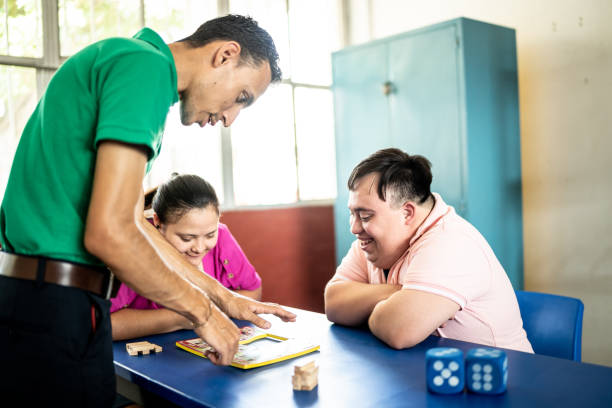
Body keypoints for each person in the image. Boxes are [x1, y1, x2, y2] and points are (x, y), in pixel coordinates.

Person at [0, 15, 295, 406]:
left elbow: (134, 225)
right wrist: (204, 314)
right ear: (225, 55)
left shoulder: (126, 61)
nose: (230, 118)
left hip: (38, 298)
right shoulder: (145, 67)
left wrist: (223, 297)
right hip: (56, 302)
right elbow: (110, 232)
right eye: (241, 97)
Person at [324, 148, 533, 353]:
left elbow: (397, 330)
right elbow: (333, 303)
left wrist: (367, 307)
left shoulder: (452, 242)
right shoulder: (370, 242)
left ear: (407, 213)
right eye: (352, 214)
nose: (354, 228)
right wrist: (399, 292)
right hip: (418, 371)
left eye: (365, 216)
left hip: (503, 372)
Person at [111, 174, 262, 340]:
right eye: (186, 238)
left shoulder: (222, 236)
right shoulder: (136, 245)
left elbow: (253, 291)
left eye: (210, 235)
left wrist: (208, 312)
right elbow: (105, 325)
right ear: (157, 222)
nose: (199, 248)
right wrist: (185, 317)